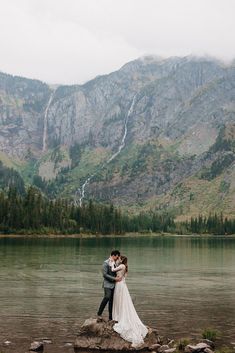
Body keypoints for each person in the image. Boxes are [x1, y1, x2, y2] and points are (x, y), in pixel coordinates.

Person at [109, 255, 148, 348]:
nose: (117, 259)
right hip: (121, 284)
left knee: (120, 300)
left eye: (119, 258)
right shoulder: (124, 267)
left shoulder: (122, 266)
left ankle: (118, 316)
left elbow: (113, 270)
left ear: (121, 259)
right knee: (120, 301)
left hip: (119, 284)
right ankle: (117, 315)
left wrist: (111, 263)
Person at [97, 250, 121, 321]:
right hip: (107, 284)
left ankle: (111, 317)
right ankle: (99, 313)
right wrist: (114, 278)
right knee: (107, 297)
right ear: (113, 255)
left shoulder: (117, 263)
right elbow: (104, 274)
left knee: (112, 301)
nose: (117, 258)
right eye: (117, 257)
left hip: (115, 285)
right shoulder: (106, 263)